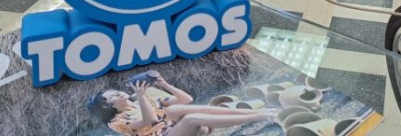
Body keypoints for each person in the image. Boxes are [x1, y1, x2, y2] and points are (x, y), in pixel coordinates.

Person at [88, 72, 279, 136]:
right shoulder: (117, 122)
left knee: (174, 109)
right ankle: (261, 116)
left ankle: (261, 112)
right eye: (113, 95)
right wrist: (141, 96)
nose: (119, 92)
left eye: (116, 91)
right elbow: (150, 121)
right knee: (191, 119)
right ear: (107, 106)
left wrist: (164, 84)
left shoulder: (143, 100)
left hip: (176, 129)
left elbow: (186, 100)